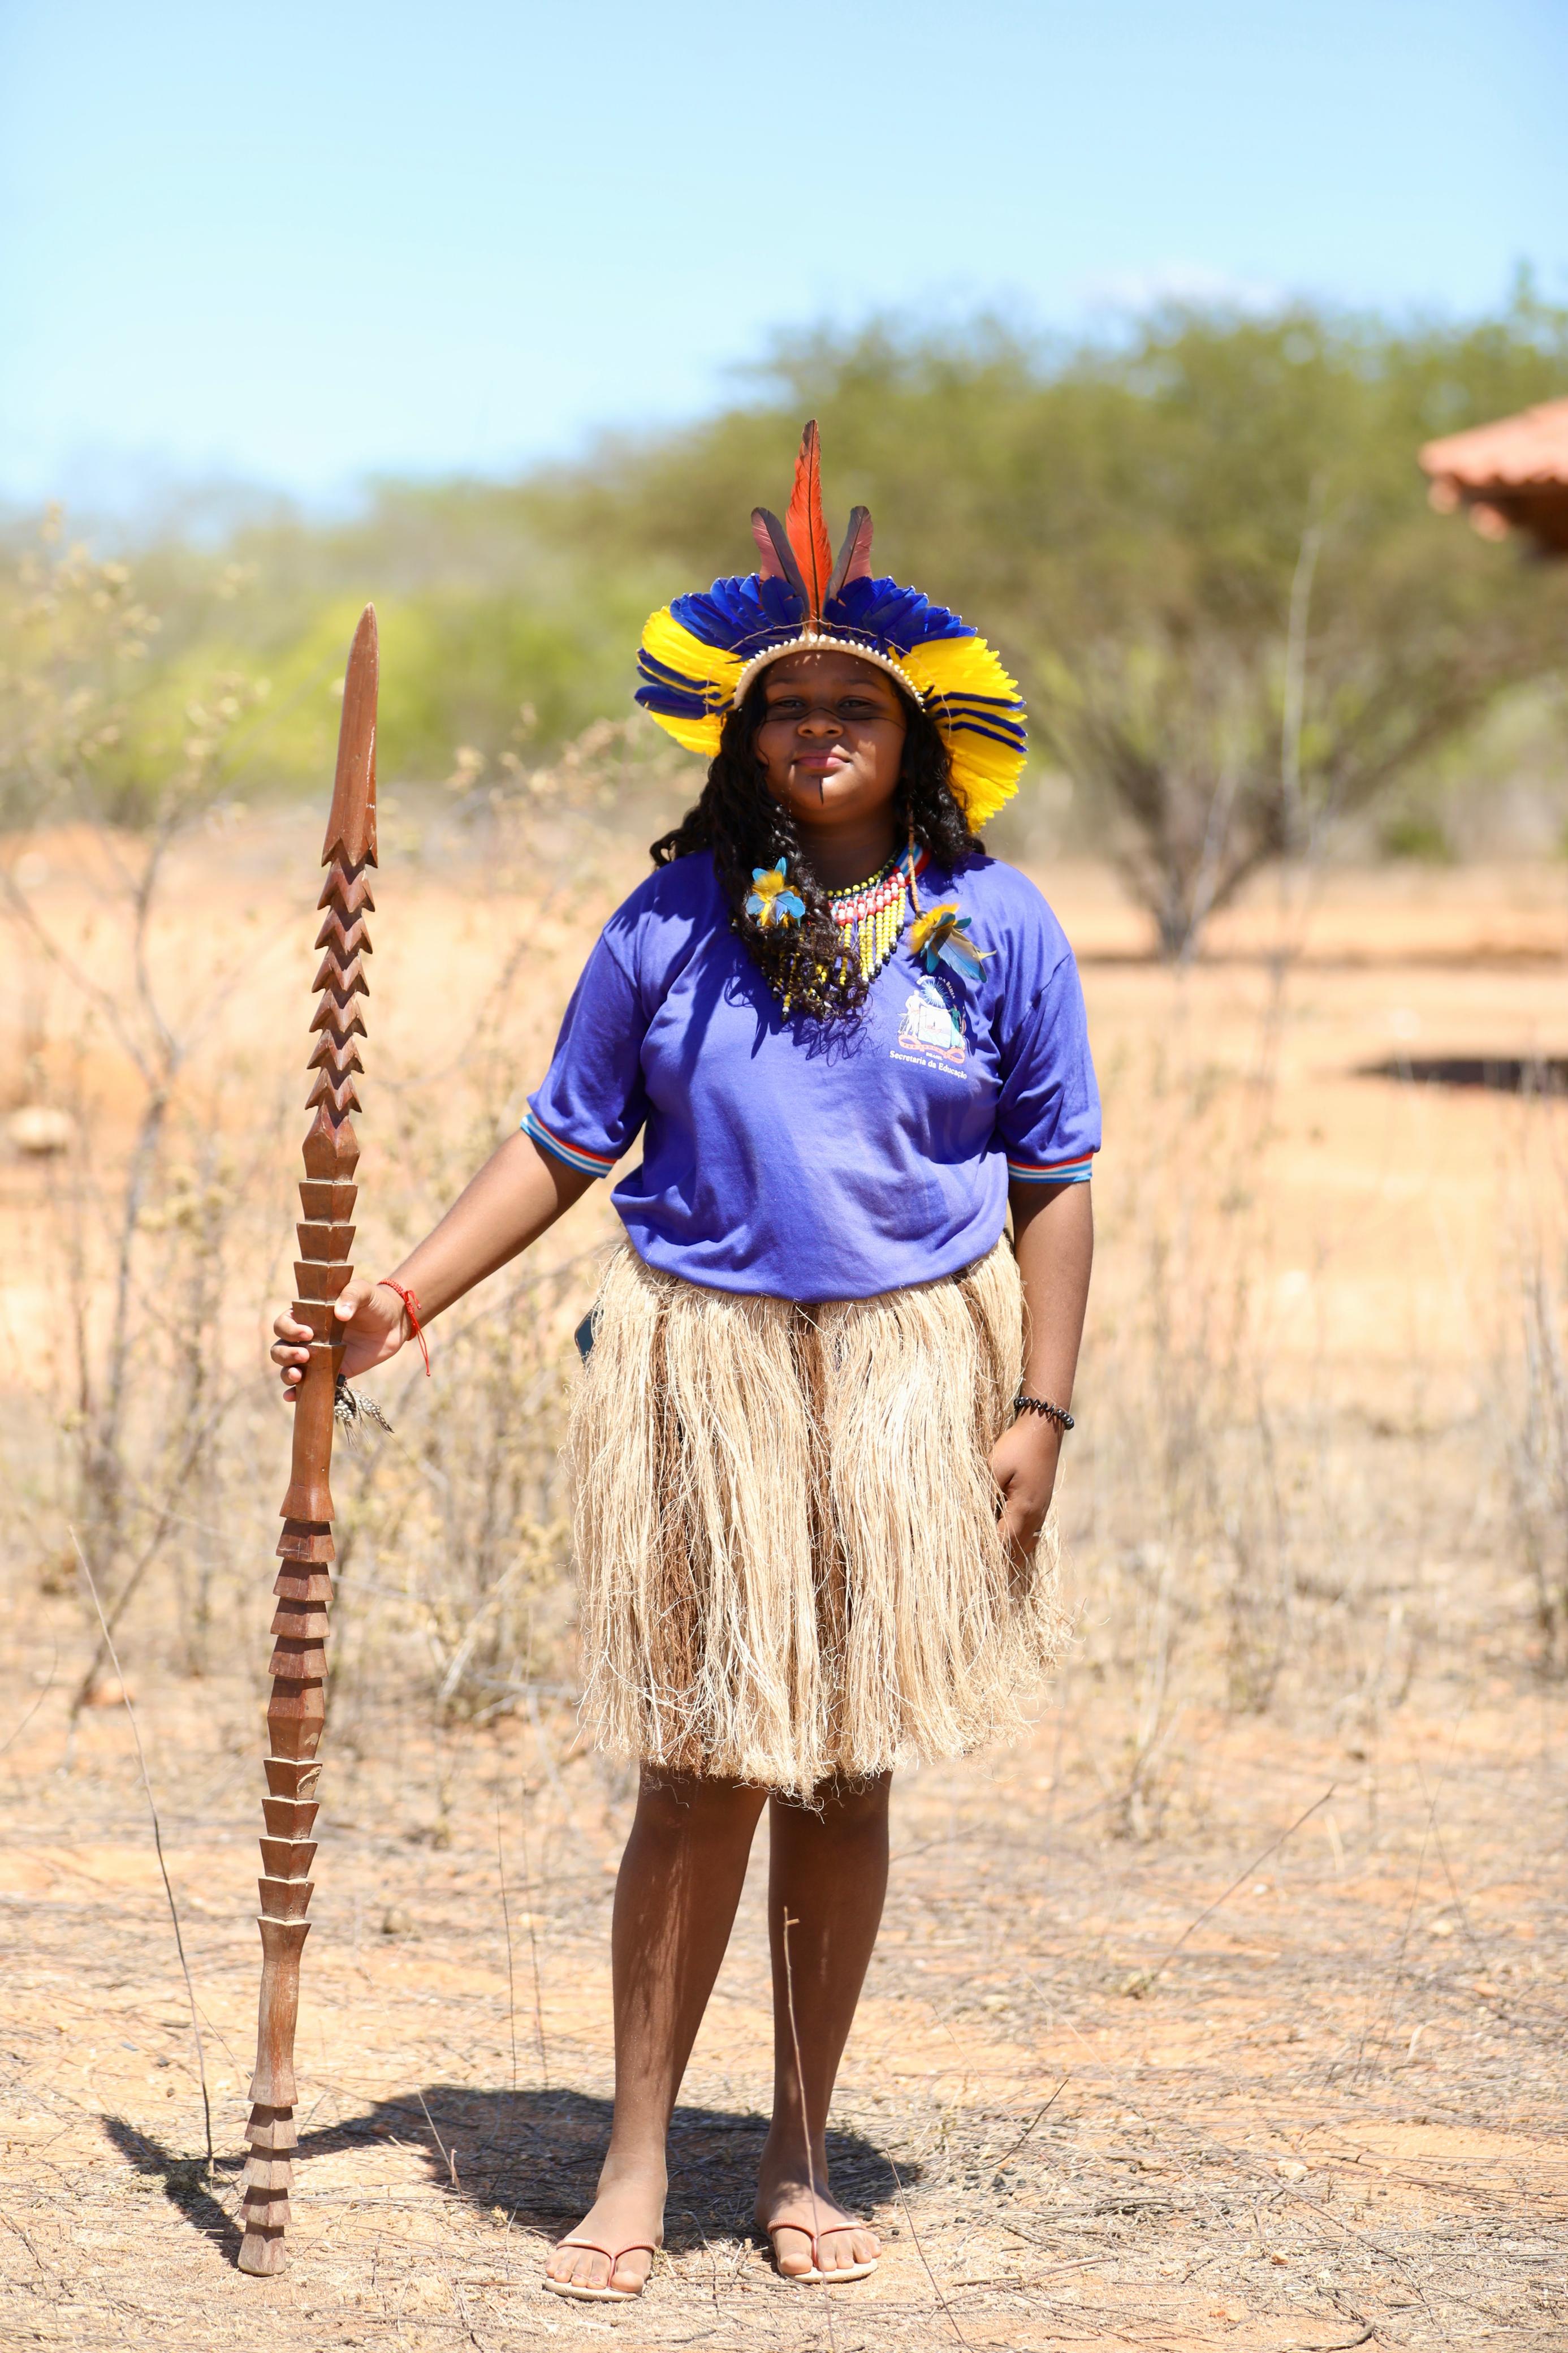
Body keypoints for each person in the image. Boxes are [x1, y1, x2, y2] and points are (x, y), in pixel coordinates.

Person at [271, 424, 1099, 2304]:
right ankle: (638, 2154)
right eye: (785, 707)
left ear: (916, 734)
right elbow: (563, 1144)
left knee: (847, 1776)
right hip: (700, 1372)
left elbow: (1055, 1179)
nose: (818, 730)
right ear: (742, 737)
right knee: (700, 1762)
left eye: (851, 707)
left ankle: (800, 2155)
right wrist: (402, 1299)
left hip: (915, 1379)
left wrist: (1040, 1408)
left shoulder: (999, 927)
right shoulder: (670, 922)